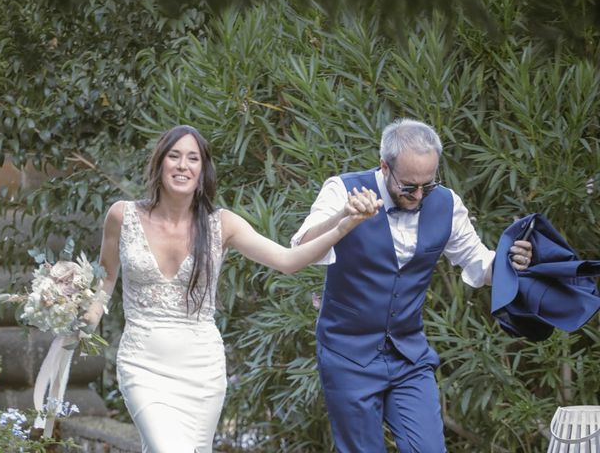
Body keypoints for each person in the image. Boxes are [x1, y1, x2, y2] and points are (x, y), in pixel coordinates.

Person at [83, 125, 383, 453]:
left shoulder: (221, 224)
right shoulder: (122, 215)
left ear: (203, 171)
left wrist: (344, 224)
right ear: (160, 163)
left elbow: (288, 260)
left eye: (192, 158)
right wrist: (89, 311)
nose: (183, 165)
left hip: (201, 369)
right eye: (174, 156)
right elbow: (106, 278)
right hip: (143, 364)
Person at [291, 118, 533, 453]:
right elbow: (300, 249)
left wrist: (511, 263)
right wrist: (343, 220)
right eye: (409, 187)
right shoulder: (343, 190)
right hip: (348, 356)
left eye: (427, 186)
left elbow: (480, 263)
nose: (419, 196)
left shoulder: (447, 204)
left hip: (409, 356)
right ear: (384, 166)